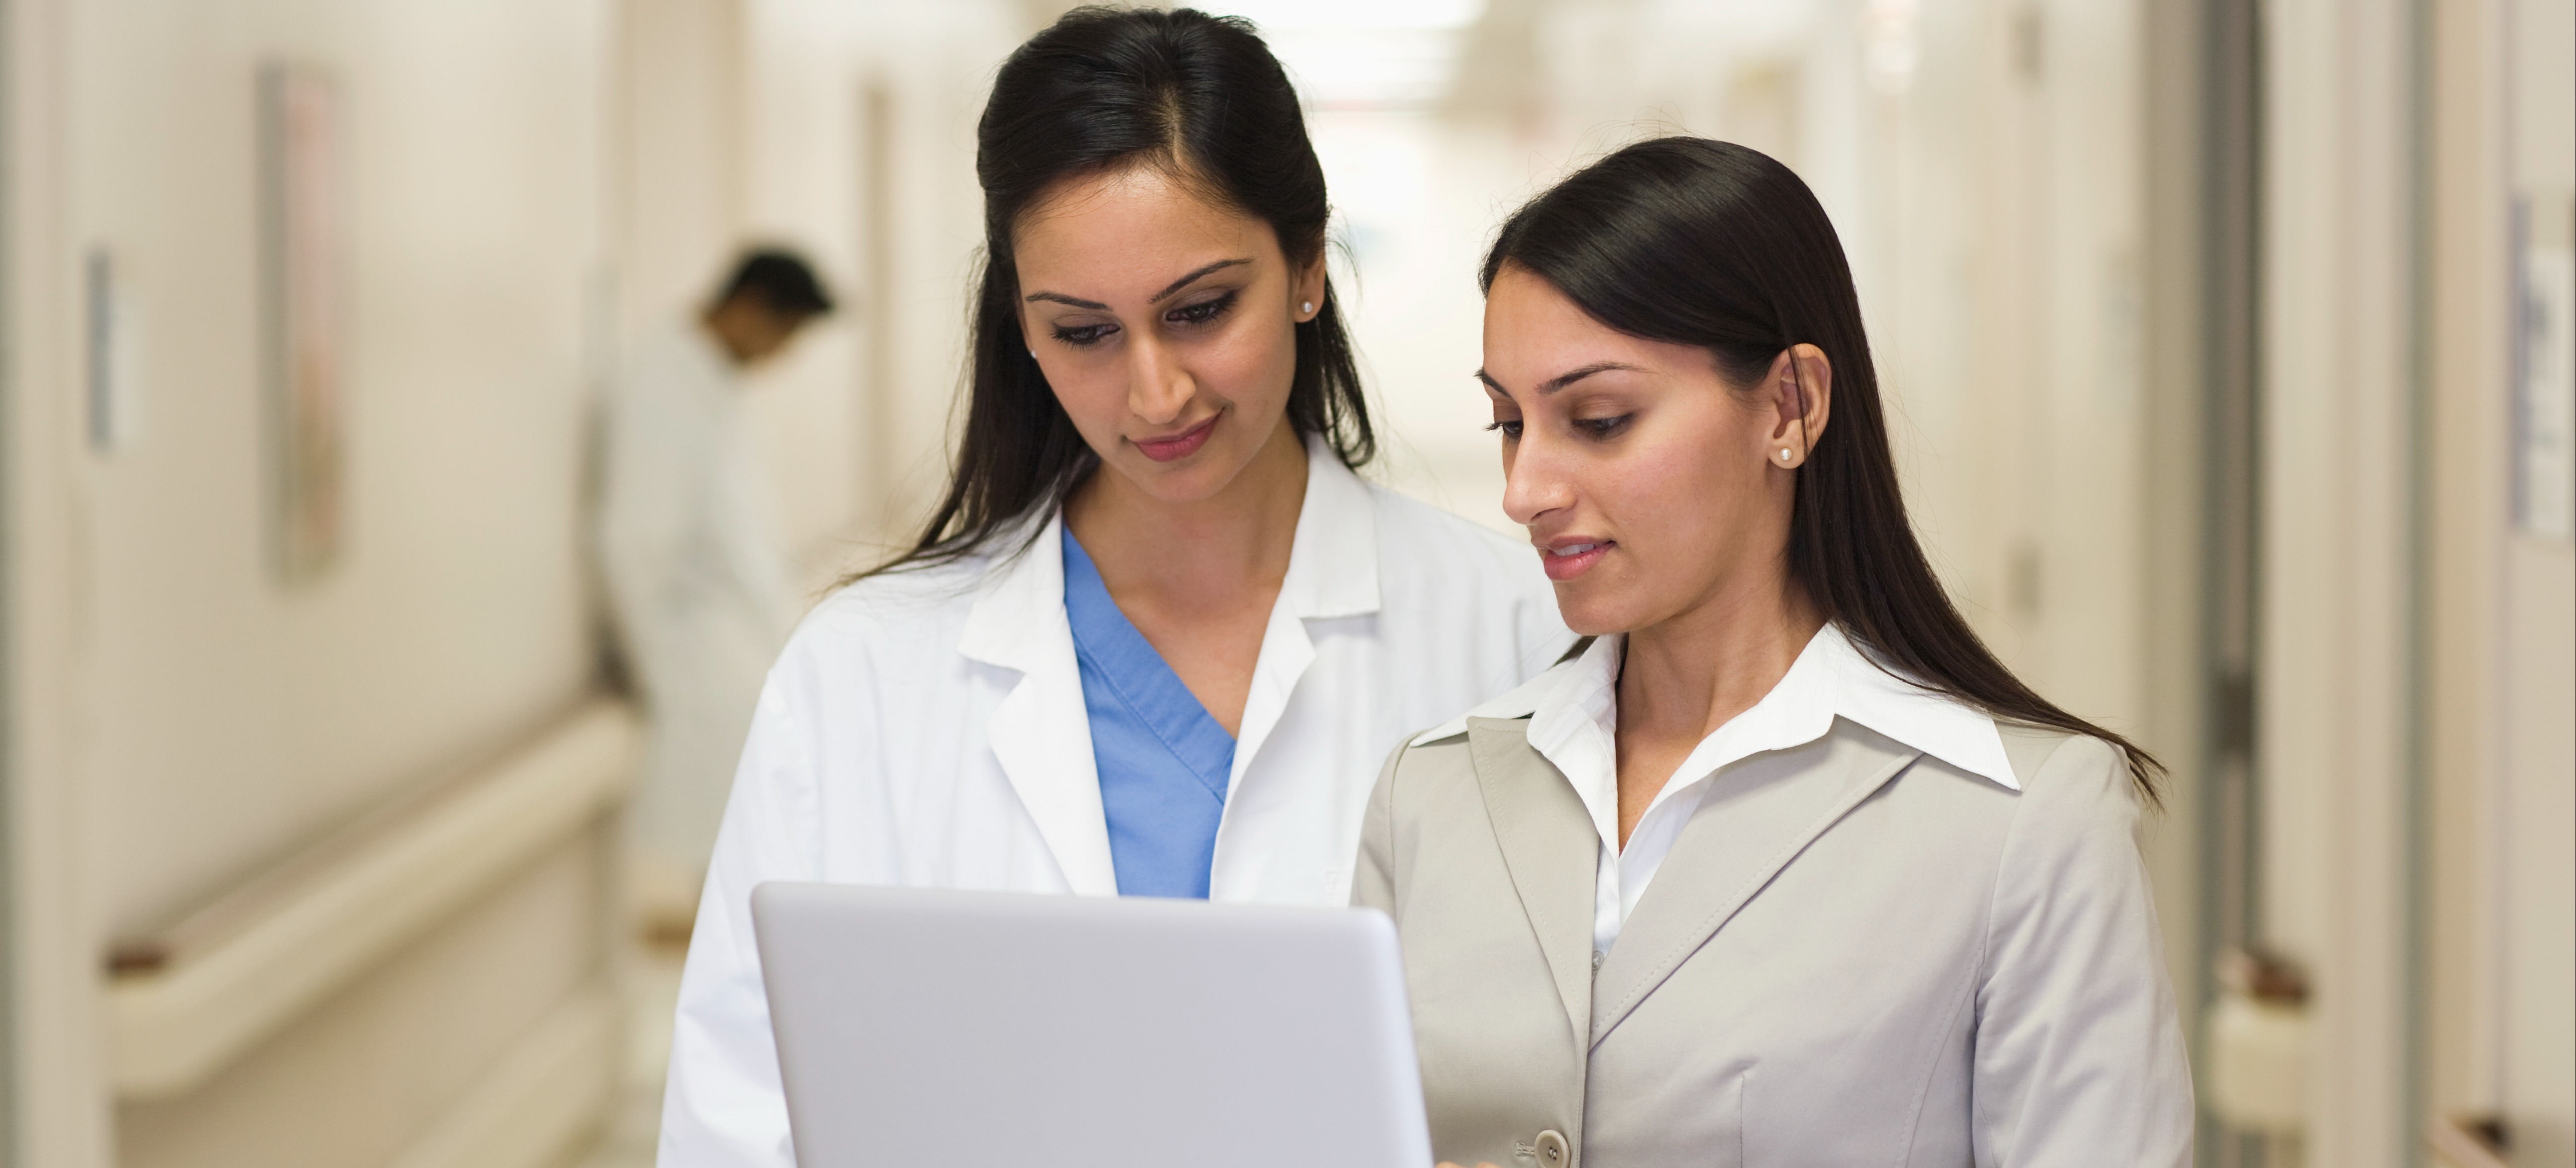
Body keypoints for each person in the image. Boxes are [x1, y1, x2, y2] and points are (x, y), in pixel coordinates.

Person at [658, 10, 1572, 1163]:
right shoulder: (864, 673)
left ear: (1303, 266)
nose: (1154, 393)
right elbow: (743, 1117)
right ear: (1022, 329)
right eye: (1083, 331)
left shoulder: (1521, 636)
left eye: (1199, 311)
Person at [1354, 137, 2194, 1167]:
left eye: (1598, 419)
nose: (1524, 488)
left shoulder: (2019, 817)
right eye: (1509, 423)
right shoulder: (1433, 792)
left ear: (1790, 405)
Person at [594, 249, 834, 933]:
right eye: (784, 336)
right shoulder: (664, 385)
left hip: (729, 640)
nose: (781, 355)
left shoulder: (711, 382)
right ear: (750, 309)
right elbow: (635, 538)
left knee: (749, 839)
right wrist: (655, 665)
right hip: (692, 650)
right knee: (720, 840)